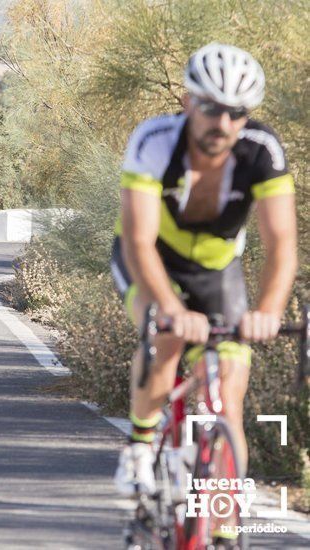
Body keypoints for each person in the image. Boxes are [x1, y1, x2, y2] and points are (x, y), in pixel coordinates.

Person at [111, 44, 296, 546]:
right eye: (211, 107)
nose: (223, 121)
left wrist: (270, 310)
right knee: (169, 339)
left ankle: (221, 526)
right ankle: (142, 444)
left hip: (216, 268)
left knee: (228, 396)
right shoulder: (153, 141)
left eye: (237, 112)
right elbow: (139, 240)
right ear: (190, 102)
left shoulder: (263, 150)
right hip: (150, 256)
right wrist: (170, 308)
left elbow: (282, 245)